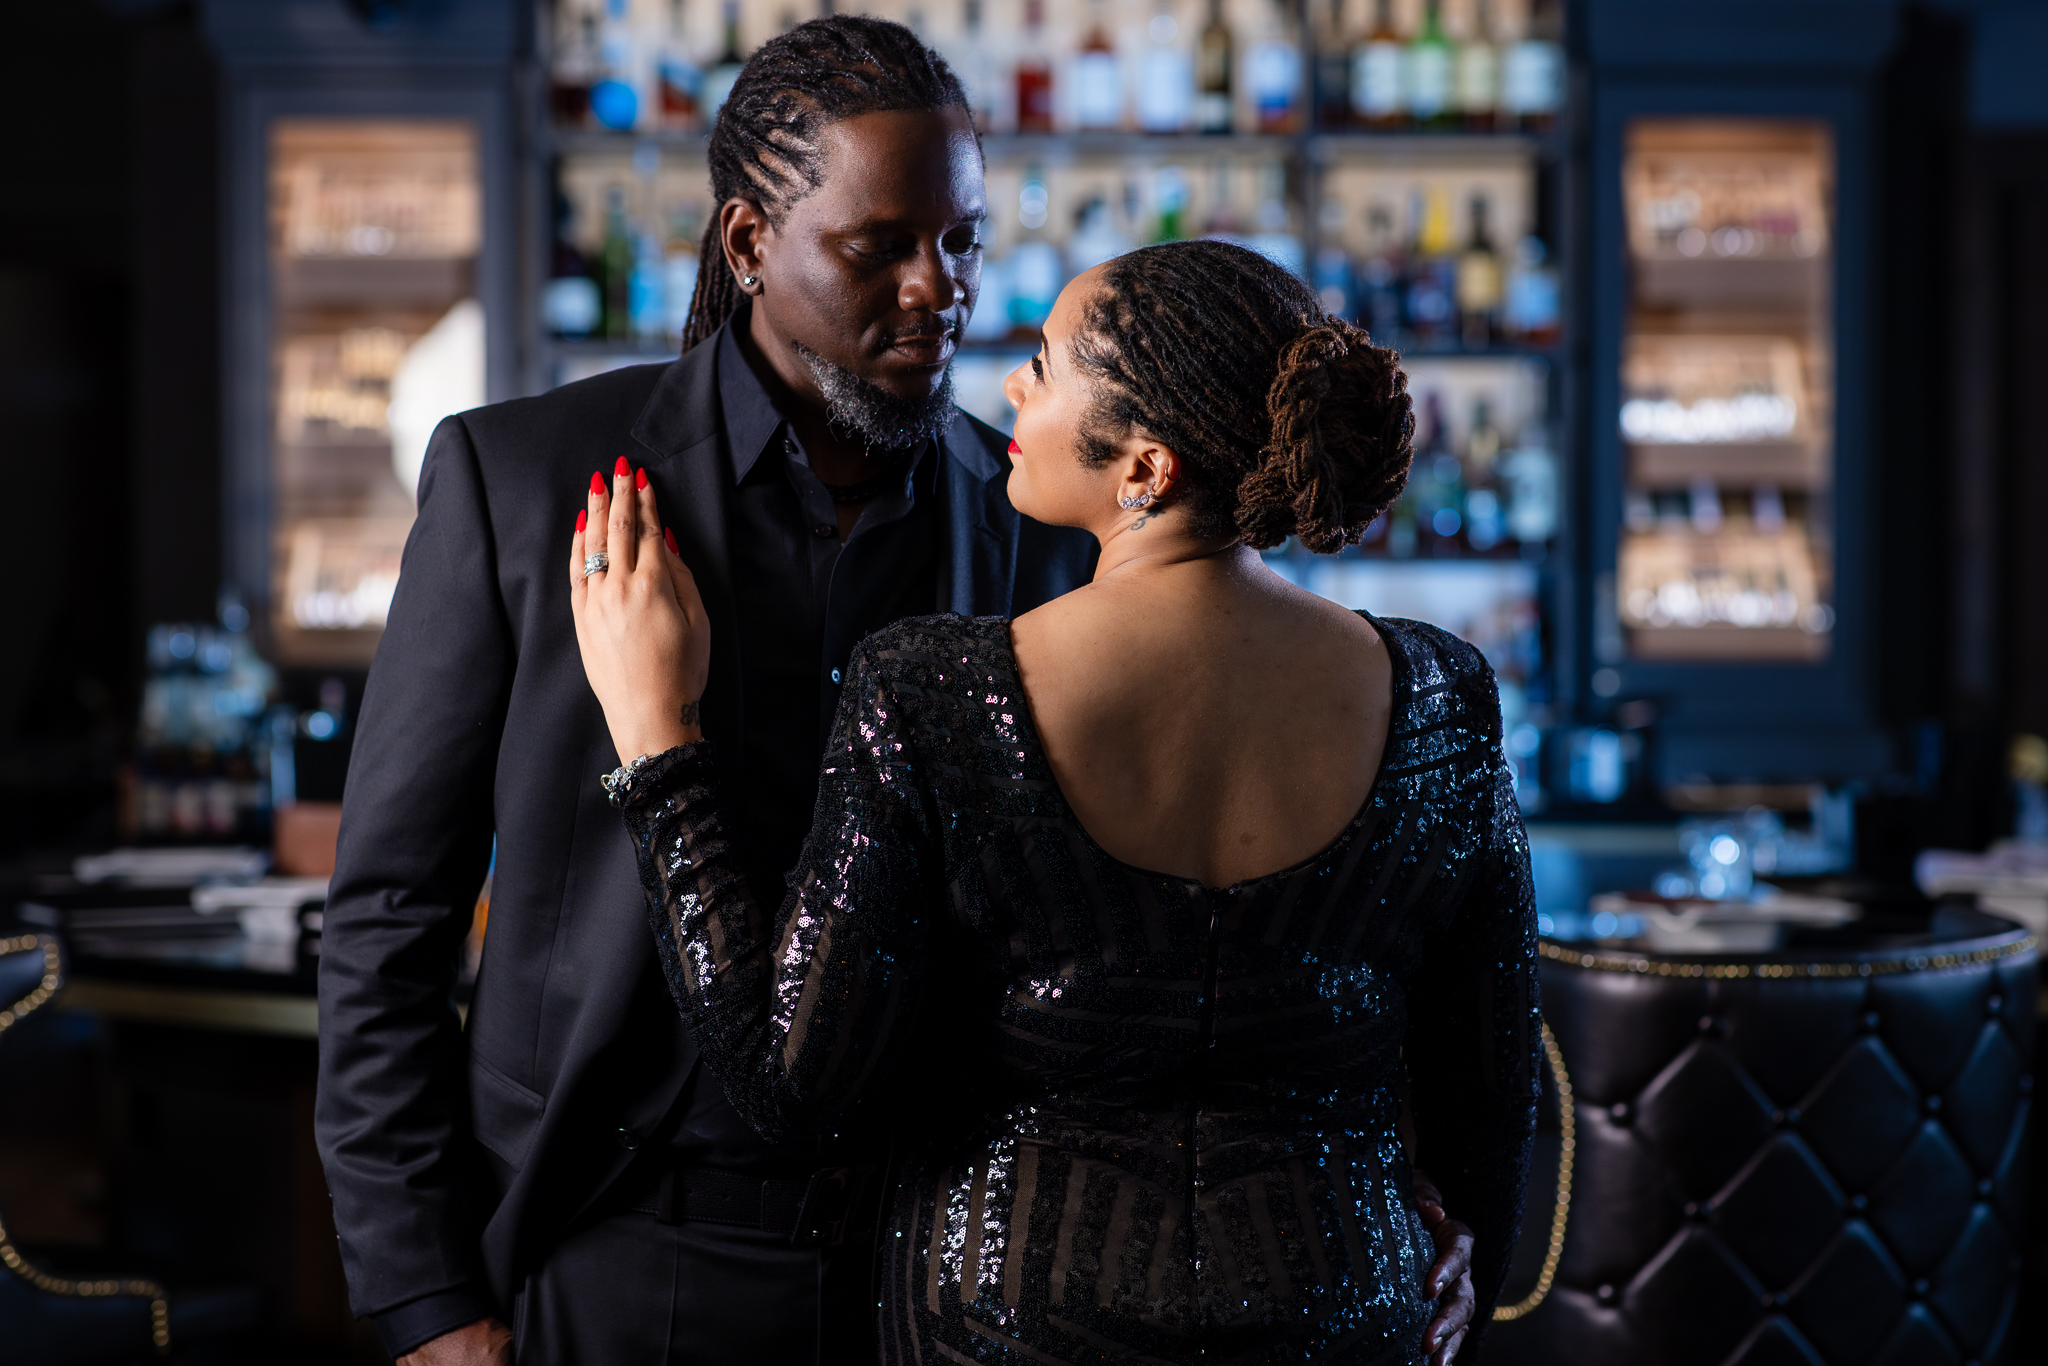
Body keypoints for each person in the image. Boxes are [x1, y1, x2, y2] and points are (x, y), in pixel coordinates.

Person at [316, 15, 1477, 1365]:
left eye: (966, 240)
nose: (943, 289)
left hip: (965, 1271)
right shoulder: (518, 483)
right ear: (750, 244)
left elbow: (1185, 946)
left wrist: (1401, 1190)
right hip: (616, 1239)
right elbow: (388, 912)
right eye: (884, 248)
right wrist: (427, 1303)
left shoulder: (1056, 526)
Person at [570, 239, 1539, 1365]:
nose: (1009, 387)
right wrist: (1443, 1241)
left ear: (1144, 467)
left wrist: (657, 741)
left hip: (1006, 1325)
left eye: (1041, 360)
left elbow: (788, 1082)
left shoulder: (934, 688)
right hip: (1343, 1317)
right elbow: (1491, 1103)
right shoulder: (1438, 693)